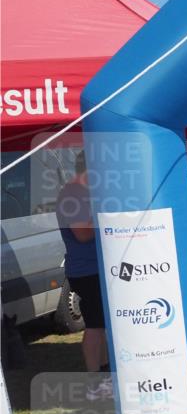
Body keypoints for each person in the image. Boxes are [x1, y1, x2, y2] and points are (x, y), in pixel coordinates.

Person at [55, 153, 111, 398]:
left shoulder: (81, 193)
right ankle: (95, 384)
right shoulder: (73, 194)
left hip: (93, 268)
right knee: (96, 325)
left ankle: (106, 376)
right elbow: (83, 234)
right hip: (87, 270)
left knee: (102, 324)